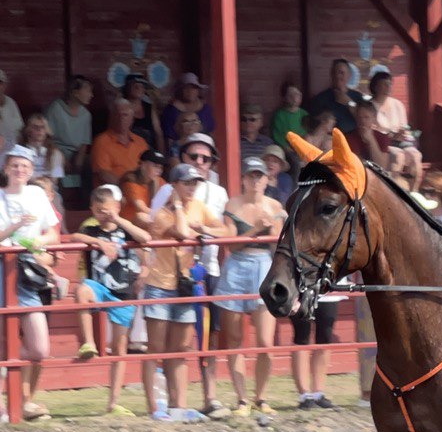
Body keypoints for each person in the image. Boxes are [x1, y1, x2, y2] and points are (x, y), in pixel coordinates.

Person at [147, 132, 233, 417]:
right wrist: (183, 210)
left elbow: (225, 230)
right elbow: (181, 231)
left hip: (190, 279)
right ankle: (155, 406)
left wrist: (205, 230)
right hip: (162, 282)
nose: (192, 187)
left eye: (195, 182)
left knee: (182, 346)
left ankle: (179, 405)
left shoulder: (207, 201)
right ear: (175, 184)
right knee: (157, 347)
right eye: (187, 182)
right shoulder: (166, 205)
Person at [68, 184, 149, 413]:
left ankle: (113, 402)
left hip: (124, 292)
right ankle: (89, 343)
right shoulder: (92, 230)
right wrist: (99, 242)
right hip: (100, 287)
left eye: (107, 210)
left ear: (117, 207)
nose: (102, 215)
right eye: (97, 211)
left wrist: (119, 219)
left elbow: (145, 237)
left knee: (119, 347)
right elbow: (74, 236)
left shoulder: (127, 229)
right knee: (82, 290)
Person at [220, 157, 286, 416]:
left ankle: (262, 397)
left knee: (264, 341)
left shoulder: (275, 206)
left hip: (263, 264)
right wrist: (256, 229)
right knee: (235, 339)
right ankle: (242, 399)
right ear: (244, 179)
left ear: (267, 180)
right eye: (251, 176)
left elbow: (279, 245)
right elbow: (231, 245)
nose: (256, 180)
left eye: (260, 176)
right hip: (237, 263)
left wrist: (271, 229)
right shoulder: (233, 205)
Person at [0, 145, 61, 420]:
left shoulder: (37, 194)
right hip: (3, 269)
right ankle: (9, 405)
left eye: (24, 166)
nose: (19, 170)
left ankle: (20, 398)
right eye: (14, 165)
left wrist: (39, 241)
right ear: (6, 168)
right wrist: (15, 227)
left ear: (31, 170)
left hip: (28, 272)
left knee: (39, 348)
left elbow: (53, 235)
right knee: (2, 338)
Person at [290, 279, 345, 410]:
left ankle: (318, 393)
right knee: (301, 336)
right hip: (301, 285)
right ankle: (304, 395)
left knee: (325, 337)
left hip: (328, 284)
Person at [368, 71, 423, 191]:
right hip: (382, 144)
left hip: (401, 142)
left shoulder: (397, 104)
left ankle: (414, 192)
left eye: (390, 84)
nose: (388, 87)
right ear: (376, 86)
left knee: (416, 155)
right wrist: (391, 136)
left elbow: (404, 127)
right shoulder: (370, 106)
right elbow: (372, 131)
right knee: (399, 156)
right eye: (384, 84)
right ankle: (392, 190)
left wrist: (403, 133)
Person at [45, 75, 94, 188]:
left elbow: (84, 143)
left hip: (76, 154)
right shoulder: (55, 108)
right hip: (57, 151)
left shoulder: (86, 114)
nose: (91, 95)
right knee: (56, 162)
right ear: (75, 92)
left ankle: (87, 201)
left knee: (90, 163)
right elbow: (48, 138)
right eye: (88, 91)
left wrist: (79, 161)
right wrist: (63, 158)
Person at [91, 99, 149, 186]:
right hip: (114, 192)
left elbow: (148, 170)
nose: (121, 118)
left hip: (139, 190)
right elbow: (103, 174)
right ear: (111, 117)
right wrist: (127, 187)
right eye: (117, 115)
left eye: (125, 115)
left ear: (132, 119)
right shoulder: (101, 141)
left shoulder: (141, 142)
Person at [159, 72, 216, 150]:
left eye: (193, 88)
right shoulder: (171, 111)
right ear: (180, 90)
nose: (190, 91)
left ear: (198, 90)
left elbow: (210, 132)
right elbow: (169, 138)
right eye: (186, 88)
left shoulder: (206, 109)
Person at [308, 58, 363, 134]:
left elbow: (363, 119)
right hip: (329, 141)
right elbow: (312, 124)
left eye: (341, 73)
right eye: (334, 73)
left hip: (354, 140)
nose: (337, 76)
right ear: (331, 74)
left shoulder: (358, 97)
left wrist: (349, 102)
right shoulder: (320, 98)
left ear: (349, 75)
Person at [343, 97, 391, 170]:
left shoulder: (383, 138)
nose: (362, 121)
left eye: (366, 117)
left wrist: (371, 140)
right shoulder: (348, 137)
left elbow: (381, 166)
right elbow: (354, 164)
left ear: (374, 118)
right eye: (359, 117)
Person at [122, 149, 167, 224]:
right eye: (155, 166)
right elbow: (141, 208)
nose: (159, 170)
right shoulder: (131, 181)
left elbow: (172, 197)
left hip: (149, 222)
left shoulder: (159, 181)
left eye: (160, 167)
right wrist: (164, 216)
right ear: (143, 165)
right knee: (142, 216)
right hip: (130, 224)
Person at [20, 114, 65, 183]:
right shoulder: (19, 152)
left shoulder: (56, 153)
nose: (39, 130)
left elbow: (54, 180)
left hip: (48, 191)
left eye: (43, 127)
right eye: (35, 127)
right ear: (27, 130)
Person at [122, 74, 162, 150]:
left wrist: (160, 155)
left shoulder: (149, 108)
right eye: (134, 85)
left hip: (149, 151)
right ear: (127, 88)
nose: (138, 88)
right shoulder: (120, 107)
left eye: (141, 86)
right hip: (128, 150)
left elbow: (158, 134)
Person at [271, 83, 307, 154]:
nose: (294, 98)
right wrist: (291, 151)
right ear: (284, 98)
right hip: (288, 152)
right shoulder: (279, 116)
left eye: (297, 94)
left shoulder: (304, 114)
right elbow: (279, 139)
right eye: (290, 95)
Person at [0, 69, 23, 149]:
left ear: (5, 85)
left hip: (12, 152)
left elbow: (20, 129)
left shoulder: (11, 103)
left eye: (0, 83)